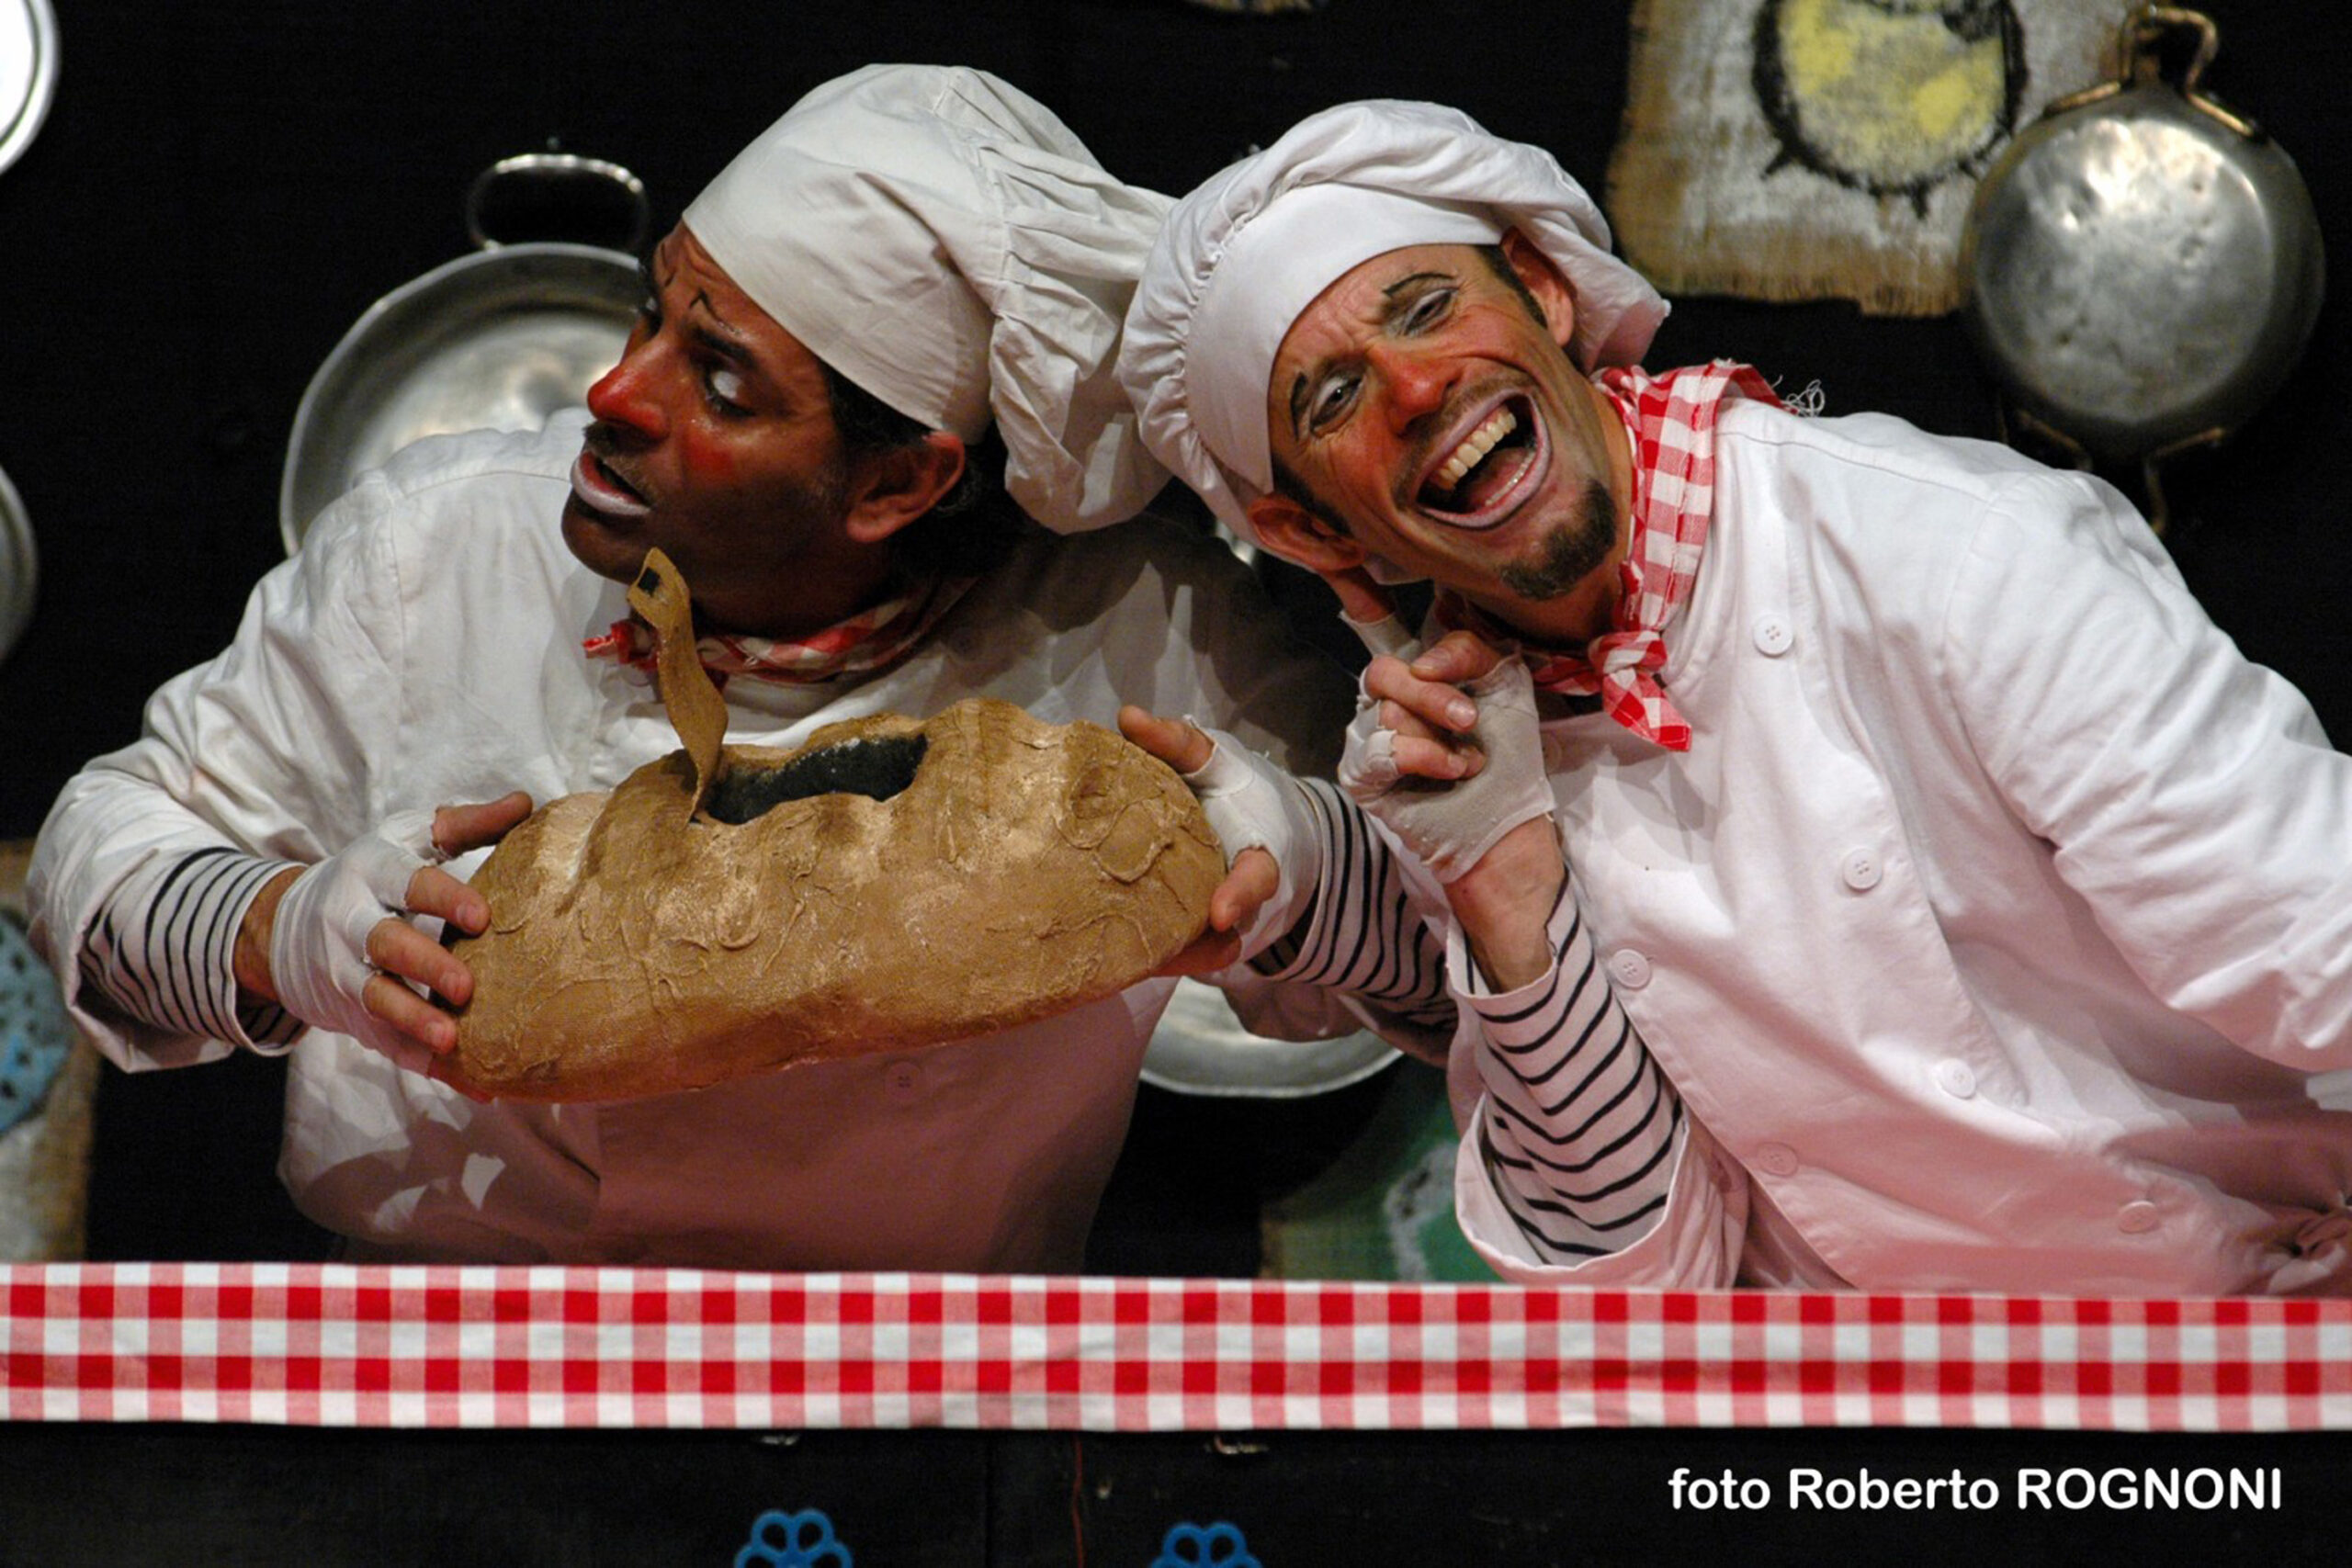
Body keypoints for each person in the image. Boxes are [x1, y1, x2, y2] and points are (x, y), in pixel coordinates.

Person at [24, 65, 1414, 1272]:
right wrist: (277, 932)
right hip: (445, 1364)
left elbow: (1432, 972)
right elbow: (94, 860)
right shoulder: (435, 549)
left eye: (722, 380)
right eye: (648, 317)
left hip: (905, 1405)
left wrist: (1311, 868)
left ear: (899, 482)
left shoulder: (1142, 645)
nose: (615, 393)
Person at [1114, 97, 2352, 1295]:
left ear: (1544, 288)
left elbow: (2314, 940)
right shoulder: (1445, 769)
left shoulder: (1957, 558)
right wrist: (1507, 906)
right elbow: (1644, 1293)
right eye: (1333, 398)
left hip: (2246, 1313)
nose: (1418, 389)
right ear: (1303, 528)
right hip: (1846, 1417)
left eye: (1430, 309)